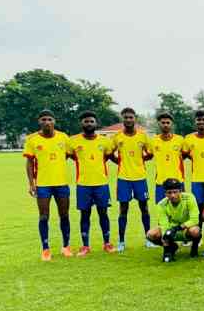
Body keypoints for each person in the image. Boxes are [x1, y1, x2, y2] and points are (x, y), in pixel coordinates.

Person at [23, 109, 72, 260]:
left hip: (62, 183)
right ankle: (45, 249)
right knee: (44, 216)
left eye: (49, 119)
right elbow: (29, 163)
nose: (47, 122)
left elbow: (70, 154)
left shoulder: (63, 137)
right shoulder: (32, 139)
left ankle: (66, 246)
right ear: (39, 122)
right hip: (43, 185)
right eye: (43, 119)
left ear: (54, 121)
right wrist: (32, 184)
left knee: (64, 215)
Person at [68, 110, 116, 256]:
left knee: (103, 213)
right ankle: (85, 246)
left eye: (91, 121)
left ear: (96, 123)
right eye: (86, 121)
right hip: (83, 185)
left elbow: (108, 156)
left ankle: (107, 243)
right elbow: (71, 156)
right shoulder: (73, 141)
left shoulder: (104, 141)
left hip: (101, 183)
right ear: (81, 123)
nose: (89, 123)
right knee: (85, 215)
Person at [112, 107, 152, 252]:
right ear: (122, 119)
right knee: (123, 210)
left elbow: (151, 153)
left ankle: (148, 239)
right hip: (123, 178)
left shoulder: (143, 136)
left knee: (144, 208)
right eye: (126, 117)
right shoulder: (117, 137)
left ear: (135, 118)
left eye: (131, 117)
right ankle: (121, 241)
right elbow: (110, 153)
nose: (128, 120)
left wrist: (141, 160)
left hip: (140, 178)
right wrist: (120, 162)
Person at [146, 178, 202, 262]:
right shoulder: (161, 205)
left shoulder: (189, 198)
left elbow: (195, 220)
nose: (172, 195)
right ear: (165, 193)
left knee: (195, 231)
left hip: (186, 229)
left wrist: (177, 228)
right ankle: (172, 247)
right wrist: (166, 247)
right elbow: (163, 225)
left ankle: (194, 248)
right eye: (169, 193)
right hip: (170, 230)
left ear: (180, 191)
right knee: (151, 234)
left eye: (175, 192)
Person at [151, 111, 185, 204]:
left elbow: (187, 154)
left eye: (168, 123)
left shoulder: (180, 140)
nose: (165, 125)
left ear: (171, 124)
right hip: (160, 182)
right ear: (159, 124)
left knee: (180, 210)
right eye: (163, 123)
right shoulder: (153, 141)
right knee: (161, 210)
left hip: (178, 181)